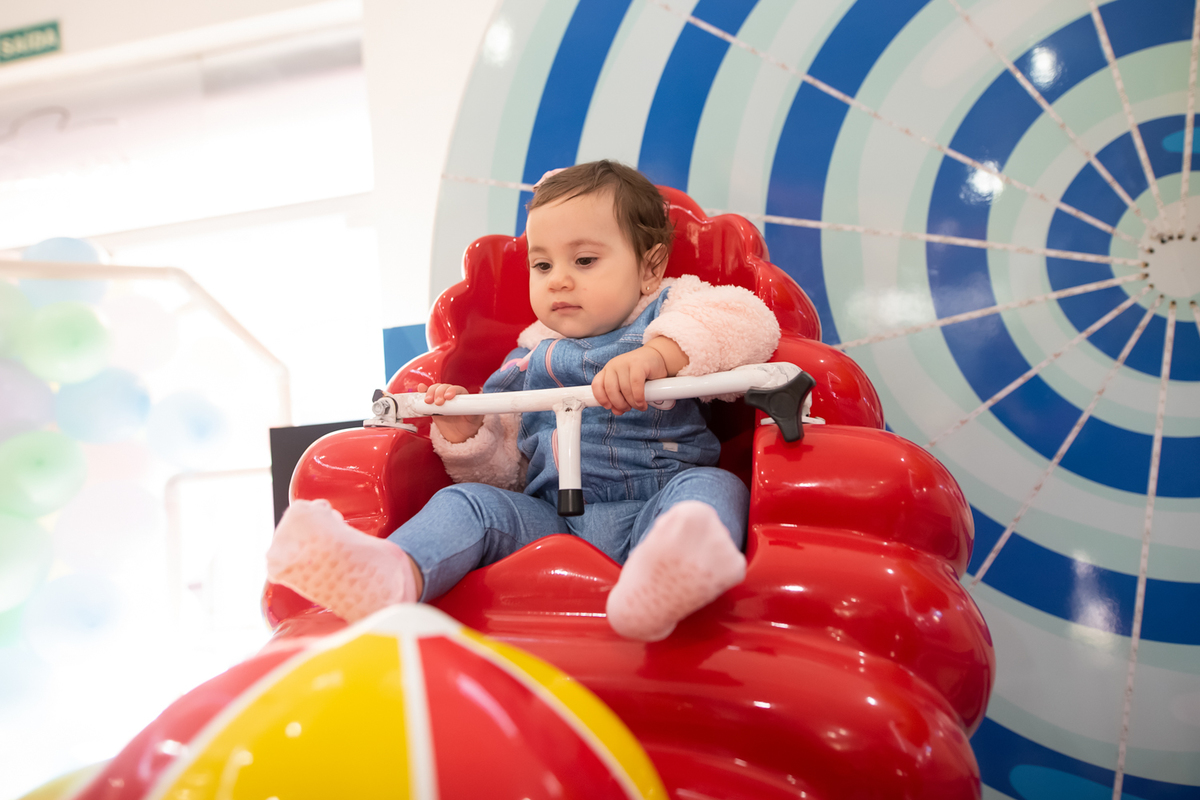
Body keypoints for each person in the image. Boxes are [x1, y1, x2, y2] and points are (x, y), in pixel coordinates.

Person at [267, 160, 781, 641]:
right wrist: (466, 432)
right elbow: (506, 471)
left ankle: (669, 576)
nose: (558, 279)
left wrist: (660, 355)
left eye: (584, 260)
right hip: (551, 520)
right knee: (468, 503)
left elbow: (749, 323)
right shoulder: (526, 358)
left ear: (650, 267)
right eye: (542, 264)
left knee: (714, 487)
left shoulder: (673, 307)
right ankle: (393, 573)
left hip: (656, 503)